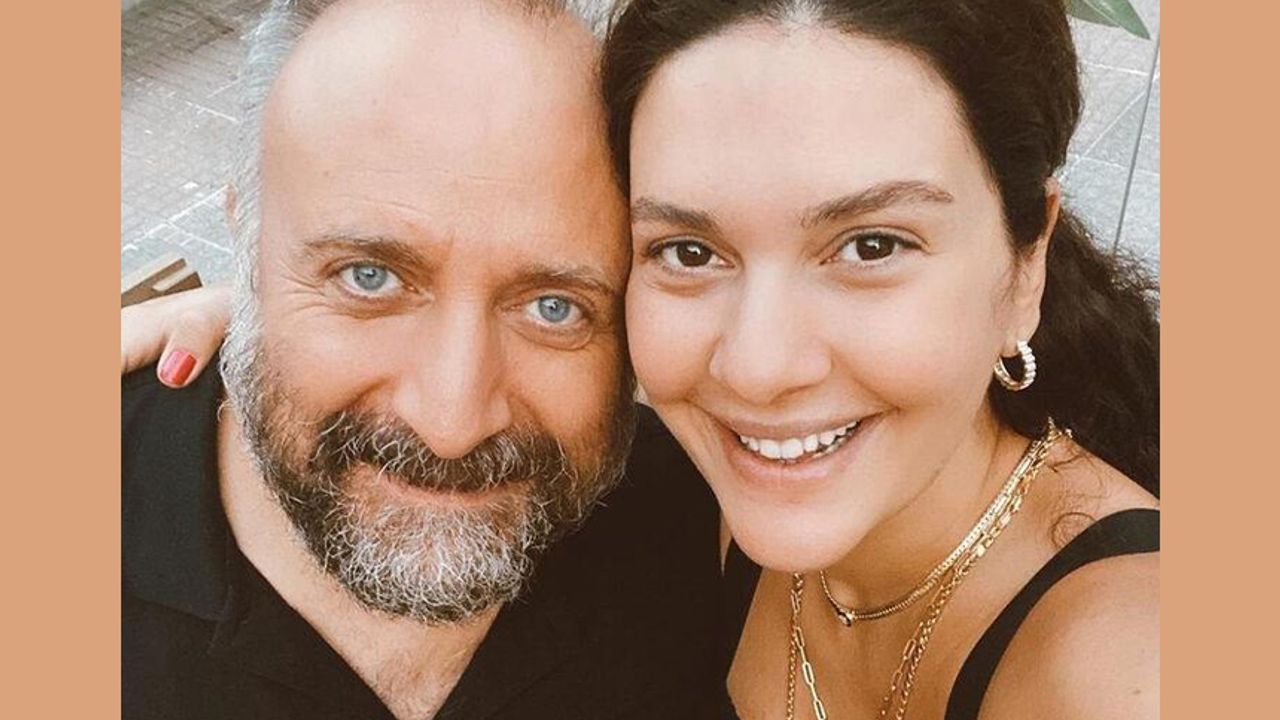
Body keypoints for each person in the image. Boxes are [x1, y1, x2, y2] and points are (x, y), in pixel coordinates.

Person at [127, 0, 1161, 717]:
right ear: (249, 240)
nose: (757, 371)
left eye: (871, 246)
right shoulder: (713, 499)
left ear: (1025, 264)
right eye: (690, 252)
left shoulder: (1133, 668)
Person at [121, 1, 723, 719]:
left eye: (553, 307)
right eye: (368, 277)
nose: (451, 424)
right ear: (249, 252)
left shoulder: (701, 522)